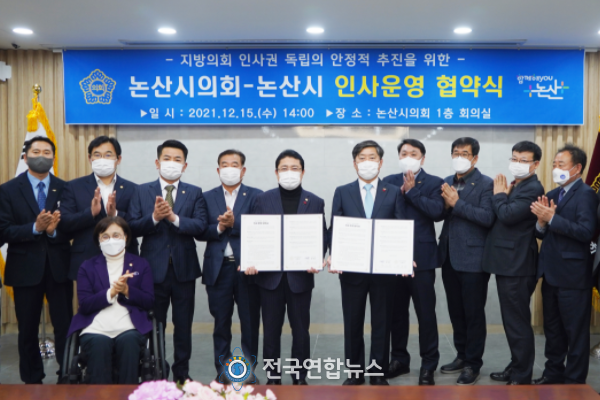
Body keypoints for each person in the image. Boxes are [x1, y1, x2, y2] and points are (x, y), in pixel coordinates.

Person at [244, 150, 328, 386]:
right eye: (284, 168)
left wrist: (316, 258)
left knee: (301, 330)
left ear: (302, 172)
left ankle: (299, 376)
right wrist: (252, 260)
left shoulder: (315, 201)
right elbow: (255, 235)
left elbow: (321, 236)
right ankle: (273, 377)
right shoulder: (262, 199)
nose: (289, 172)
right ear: (276, 172)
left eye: (294, 168)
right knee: (271, 331)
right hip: (269, 278)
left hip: (300, 278)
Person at [128, 139, 208, 383]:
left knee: (183, 325)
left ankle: (182, 374)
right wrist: (153, 218)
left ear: (185, 165)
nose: (171, 163)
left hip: (184, 269)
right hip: (152, 270)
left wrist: (174, 218)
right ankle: (157, 372)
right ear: (157, 162)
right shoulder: (141, 191)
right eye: (167, 158)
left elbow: (200, 225)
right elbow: (131, 227)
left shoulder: (194, 192)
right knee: (155, 324)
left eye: (177, 159)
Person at [327, 140, 406, 386]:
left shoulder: (393, 191)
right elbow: (335, 227)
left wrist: (404, 257)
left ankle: (378, 372)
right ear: (354, 163)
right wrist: (333, 254)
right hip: (352, 270)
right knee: (353, 323)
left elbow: (400, 227)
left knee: (382, 323)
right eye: (362, 158)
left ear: (381, 163)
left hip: (384, 270)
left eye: (372, 157)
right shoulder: (343, 191)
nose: (367, 162)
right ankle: (354, 372)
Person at [0, 137, 72, 384]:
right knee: (27, 329)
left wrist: (52, 232)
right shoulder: (7, 190)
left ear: (53, 158)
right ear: (25, 157)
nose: (41, 156)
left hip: (59, 267)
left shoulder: (65, 188)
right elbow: (3, 230)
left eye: (47, 152)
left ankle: (67, 375)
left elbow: (72, 227)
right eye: (36, 151)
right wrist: (34, 228)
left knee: (64, 325)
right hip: (24, 268)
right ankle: (32, 380)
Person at [531, 144, 598, 385]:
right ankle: (553, 373)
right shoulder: (551, 194)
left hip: (573, 276)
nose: (556, 168)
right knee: (553, 329)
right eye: (554, 164)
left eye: (561, 164)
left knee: (575, 332)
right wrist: (541, 223)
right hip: (550, 274)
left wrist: (552, 219)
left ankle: (574, 380)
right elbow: (541, 233)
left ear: (577, 168)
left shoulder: (586, 194)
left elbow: (586, 231)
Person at [196, 149, 263, 383]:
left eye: (234, 164)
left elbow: (261, 228)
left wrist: (235, 224)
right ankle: (223, 372)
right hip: (218, 269)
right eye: (225, 164)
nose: (229, 169)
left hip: (247, 269)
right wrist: (220, 227)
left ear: (243, 170)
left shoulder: (257, 196)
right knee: (221, 323)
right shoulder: (206, 197)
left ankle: (248, 371)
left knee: (250, 323)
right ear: (218, 170)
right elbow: (199, 230)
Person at [382, 138, 444, 386]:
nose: (408, 157)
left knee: (425, 313)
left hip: (423, 258)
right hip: (393, 258)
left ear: (422, 158)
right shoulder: (388, 181)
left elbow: (437, 212)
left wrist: (411, 191)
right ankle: (399, 359)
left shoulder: (435, 182)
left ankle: (428, 364)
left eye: (414, 153)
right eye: (404, 153)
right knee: (396, 313)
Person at [483, 141, 545, 385]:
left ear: (535, 164)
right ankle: (516, 365)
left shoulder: (533, 188)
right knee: (512, 320)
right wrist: (504, 196)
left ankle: (521, 374)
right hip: (508, 262)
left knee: (517, 322)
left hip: (517, 264)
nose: (517, 164)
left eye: (523, 160)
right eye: (514, 159)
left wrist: (499, 195)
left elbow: (507, 215)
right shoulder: (518, 185)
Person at [67, 216, 154, 384]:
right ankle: (99, 394)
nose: (111, 240)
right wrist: (111, 292)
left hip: (129, 326)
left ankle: (128, 393)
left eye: (116, 235)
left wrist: (127, 290)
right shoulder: (87, 266)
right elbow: (84, 305)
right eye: (105, 236)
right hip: (96, 326)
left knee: (129, 342)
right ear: (99, 240)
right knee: (99, 344)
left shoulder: (141, 264)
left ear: (125, 237)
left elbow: (149, 301)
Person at [438, 137, 495, 385]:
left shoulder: (486, 184)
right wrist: (445, 206)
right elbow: (441, 213)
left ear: (475, 158)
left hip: (473, 258)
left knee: (473, 313)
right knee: (456, 311)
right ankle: (461, 355)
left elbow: (487, 217)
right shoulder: (447, 181)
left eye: (464, 153)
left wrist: (456, 204)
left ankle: (473, 363)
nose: (459, 157)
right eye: (455, 153)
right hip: (448, 256)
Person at [60, 136, 139, 281]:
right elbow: (64, 223)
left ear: (118, 159)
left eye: (108, 155)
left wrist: (115, 214)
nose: (102, 159)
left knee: (125, 296)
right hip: (87, 259)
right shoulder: (73, 187)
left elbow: (138, 225)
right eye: (97, 155)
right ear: (90, 158)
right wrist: (90, 213)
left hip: (124, 259)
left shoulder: (133, 189)